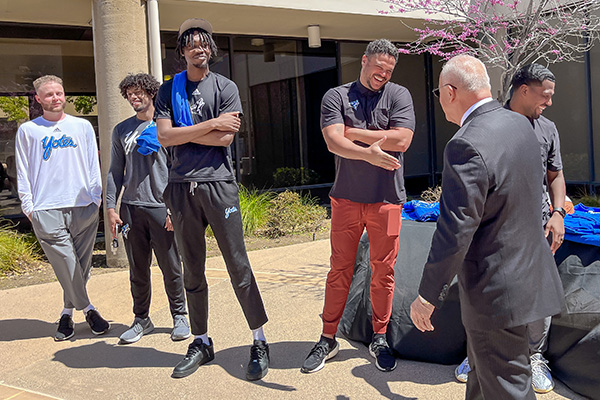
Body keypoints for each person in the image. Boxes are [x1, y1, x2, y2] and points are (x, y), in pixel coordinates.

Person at [410, 55, 564, 400]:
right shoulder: (520, 125)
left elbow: (455, 230)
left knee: (508, 387)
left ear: (450, 92)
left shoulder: (465, 143)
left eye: (438, 93)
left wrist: (426, 295)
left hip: (497, 293)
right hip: (528, 279)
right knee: (484, 378)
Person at [154, 18, 269, 381]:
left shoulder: (226, 87)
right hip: (180, 185)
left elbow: (225, 140)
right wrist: (209, 125)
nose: (198, 49)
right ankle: (201, 341)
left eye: (204, 44)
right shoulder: (167, 90)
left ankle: (259, 340)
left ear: (211, 49)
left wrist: (186, 133)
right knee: (192, 269)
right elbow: (165, 137)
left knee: (238, 265)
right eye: (191, 44)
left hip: (218, 184)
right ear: (182, 51)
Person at [301, 39, 415, 374]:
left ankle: (380, 336)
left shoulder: (399, 95)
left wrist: (354, 133)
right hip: (346, 200)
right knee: (340, 271)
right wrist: (369, 152)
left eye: (389, 70)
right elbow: (333, 140)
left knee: (384, 272)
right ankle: (328, 337)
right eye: (378, 66)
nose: (382, 74)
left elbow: (402, 140)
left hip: (388, 201)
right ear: (363, 60)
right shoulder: (336, 96)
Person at [454, 64, 566, 393]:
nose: (548, 102)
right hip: (492, 228)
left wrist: (557, 212)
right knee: (481, 292)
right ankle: (477, 354)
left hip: (536, 227)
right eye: (544, 95)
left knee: (535, 296)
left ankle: (532, 356)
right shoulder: (485, 126)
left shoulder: (547, 128)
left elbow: (554, 174)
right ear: (523, 90)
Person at [15, 75, 109, 341]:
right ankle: (89, 309)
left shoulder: (81, 126)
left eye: (59, 93)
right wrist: (28, 205)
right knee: (67, 265)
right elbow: (22, 170)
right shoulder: (29, 130)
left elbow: (93, 163)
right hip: (46, 208)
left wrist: (96, 197)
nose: (55, 98)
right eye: (49, 95)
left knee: (81, 266)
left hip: (83, 205)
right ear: (38, 99)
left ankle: (67, 313)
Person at [105, 73, 190, 345]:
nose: (135, 97)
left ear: (152, 93)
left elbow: (180, 170)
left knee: (171, 266)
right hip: (131, 208)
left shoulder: (168, 126)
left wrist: (173, 208)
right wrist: (110, 206)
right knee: (138, 269)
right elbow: (114, 171)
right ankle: (142, 319)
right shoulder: (122, 130)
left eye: (140, 92)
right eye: (130, 93)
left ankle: (180, 316)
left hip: (161, 207)